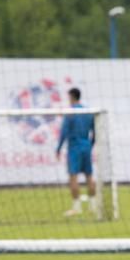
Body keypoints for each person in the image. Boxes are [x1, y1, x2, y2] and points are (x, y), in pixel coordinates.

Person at [55, 88, 100, 219]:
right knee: (89, 176)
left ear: (71, 97)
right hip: (86, 146)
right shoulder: (87, 112)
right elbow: (95, 131)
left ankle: (77, 208)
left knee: (73, 177)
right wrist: (90, 145)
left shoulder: (70, 113)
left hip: (74, 148)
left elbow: (64, 132)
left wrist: (58, 149)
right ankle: (93, 206)